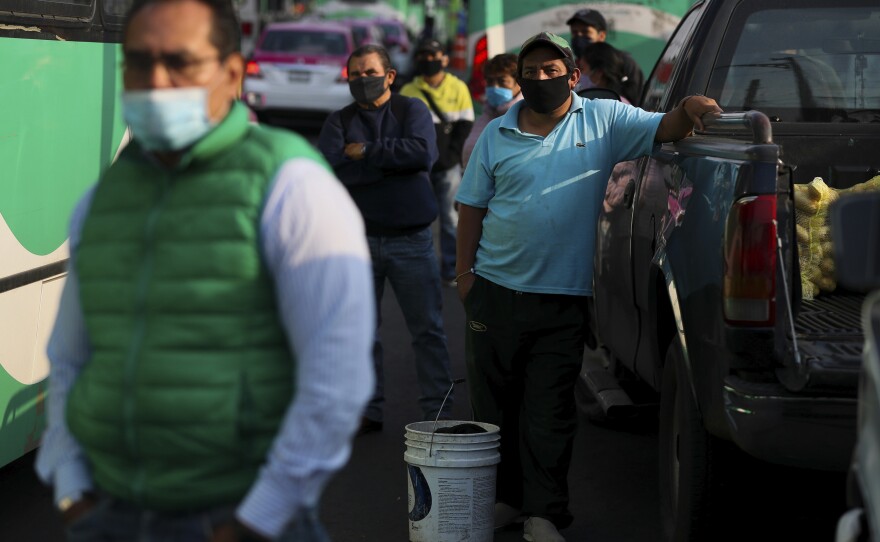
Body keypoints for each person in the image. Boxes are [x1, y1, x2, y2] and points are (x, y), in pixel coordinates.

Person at [33, 0, 375, 540]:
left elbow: (336, 381)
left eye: (181, 62)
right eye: (139, 63)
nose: (156, 81)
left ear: (233, 74)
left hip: (237, 517)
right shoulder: (102, 199)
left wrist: (253, 519)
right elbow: (70, 357)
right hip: (109, 513)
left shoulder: (291, 185)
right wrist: (72, 486)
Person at [455, 32, 721, 542]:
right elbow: (472, 208)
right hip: (494, 291)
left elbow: (668, 126)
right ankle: (506, 501)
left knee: (549, 410)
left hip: (563, 298)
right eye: (530, 73)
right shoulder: (496, 132)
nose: (539, 80)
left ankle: (545, 513)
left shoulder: (604, 120)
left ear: (572, 76)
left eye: (550, 71)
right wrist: (466, 278)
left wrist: (692, 104)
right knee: (494, 408)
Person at [317, 44, 455, 436]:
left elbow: (421, 155)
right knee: (361, 332)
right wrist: (387, 164)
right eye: (355, 74)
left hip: (411, 241)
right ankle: (368, 408)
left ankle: (439, 413)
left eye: (370, 72)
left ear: (390, 76)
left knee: (427, 330)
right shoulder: (339, 121)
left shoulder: (411, 110)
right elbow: (329, 168)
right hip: (356, 243)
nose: (363, 80)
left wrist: (365, 154)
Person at [400, 38, 475, 285]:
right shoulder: (408, 90)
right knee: (414, 219)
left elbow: (465, 126)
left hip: (448, 167)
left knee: (451, 220)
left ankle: (451, 270)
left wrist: (450, 157)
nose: (428, 60)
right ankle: (415, 269)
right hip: (416, 169)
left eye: (433, 55)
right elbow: (401, 131)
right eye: (423, 55)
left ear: (444, 58)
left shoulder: (458, 88)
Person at [566, 8, 644, 105]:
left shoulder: (624, 63)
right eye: (575, 32)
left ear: (601, 35)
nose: (579, 37)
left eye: (585, 32)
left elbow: (637, 101)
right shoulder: (571, 66)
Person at [462, 53, 522, 170]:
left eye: (502, 81)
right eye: (490, 81)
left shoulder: (525, 116)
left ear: (519, 83)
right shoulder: (488, 113)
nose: (495, 87)